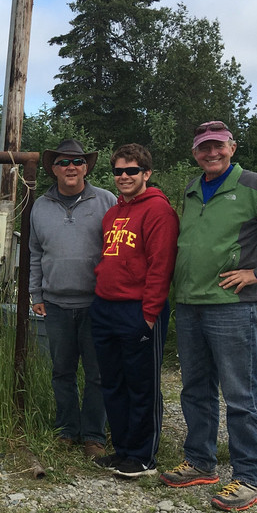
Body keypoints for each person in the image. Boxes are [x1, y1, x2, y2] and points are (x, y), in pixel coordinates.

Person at [161, 120, 257, 511]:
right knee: (195, 389)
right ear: (195, 152)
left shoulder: (251, 185)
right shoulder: (193, 187)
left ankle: (250, 477)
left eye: (218, 146)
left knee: (241, 393)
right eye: (203, 147)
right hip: (192, 302)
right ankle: (200, 461)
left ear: (232, 147)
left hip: (233, 304)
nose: (211, 153)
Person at [89, 144, 179, 479]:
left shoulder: (159, 211)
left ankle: (143, 456)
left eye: (131, 171)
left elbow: (161, 267)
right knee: (112, 382)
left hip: (138, 309)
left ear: (146, 173)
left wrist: (150, 315)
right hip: (105, 306)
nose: (124, 177)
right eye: (118, 171)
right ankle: (123, 449)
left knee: (142, 384)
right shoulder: (112, 214)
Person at [29, 139, 116, 458]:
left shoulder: (106, 200)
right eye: (64, 162)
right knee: (62, 371)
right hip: (55, 304)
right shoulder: (39, 205)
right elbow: (35, 252)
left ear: (86, 167)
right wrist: (36, 293)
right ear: (53, 169)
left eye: (77, 162)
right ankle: (67, 429)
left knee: (97, 373)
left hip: (98, 304)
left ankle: (94, 435)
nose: (71, 167)